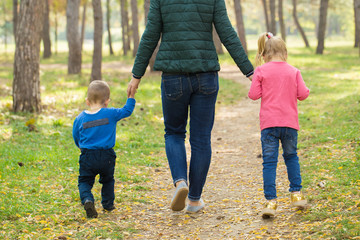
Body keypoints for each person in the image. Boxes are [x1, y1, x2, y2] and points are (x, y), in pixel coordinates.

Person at [127, 0, 254, 213]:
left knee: (174, 133)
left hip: (173, 77)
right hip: (206, 75)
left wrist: (136, 75)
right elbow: (227, 33)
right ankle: (194, 200)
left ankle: (180, 182)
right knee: (201, 139)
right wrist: (250, 72)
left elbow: (150, 35)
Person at [248, 32, 310, 218]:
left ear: (264, 55)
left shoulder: (261, 71)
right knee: (291, 157)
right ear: (285, 54)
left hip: (269, 126)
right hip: (290, 124)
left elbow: (253, 95)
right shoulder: (294, 71)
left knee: (269, 162)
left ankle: (271, 202)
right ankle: (296, 194)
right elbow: (303, 94)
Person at [73, 80, 135, 218]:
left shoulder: (80, 118)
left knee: (84, 181)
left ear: (87, 101)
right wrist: (131, 97)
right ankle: (108, 204)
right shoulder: (111, 113)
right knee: (107, 180)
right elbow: (127, 110)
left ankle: (88, 199)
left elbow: (76, 136)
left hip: (88, 155)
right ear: (107, 101)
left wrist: (80, 147)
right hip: (107, 156)